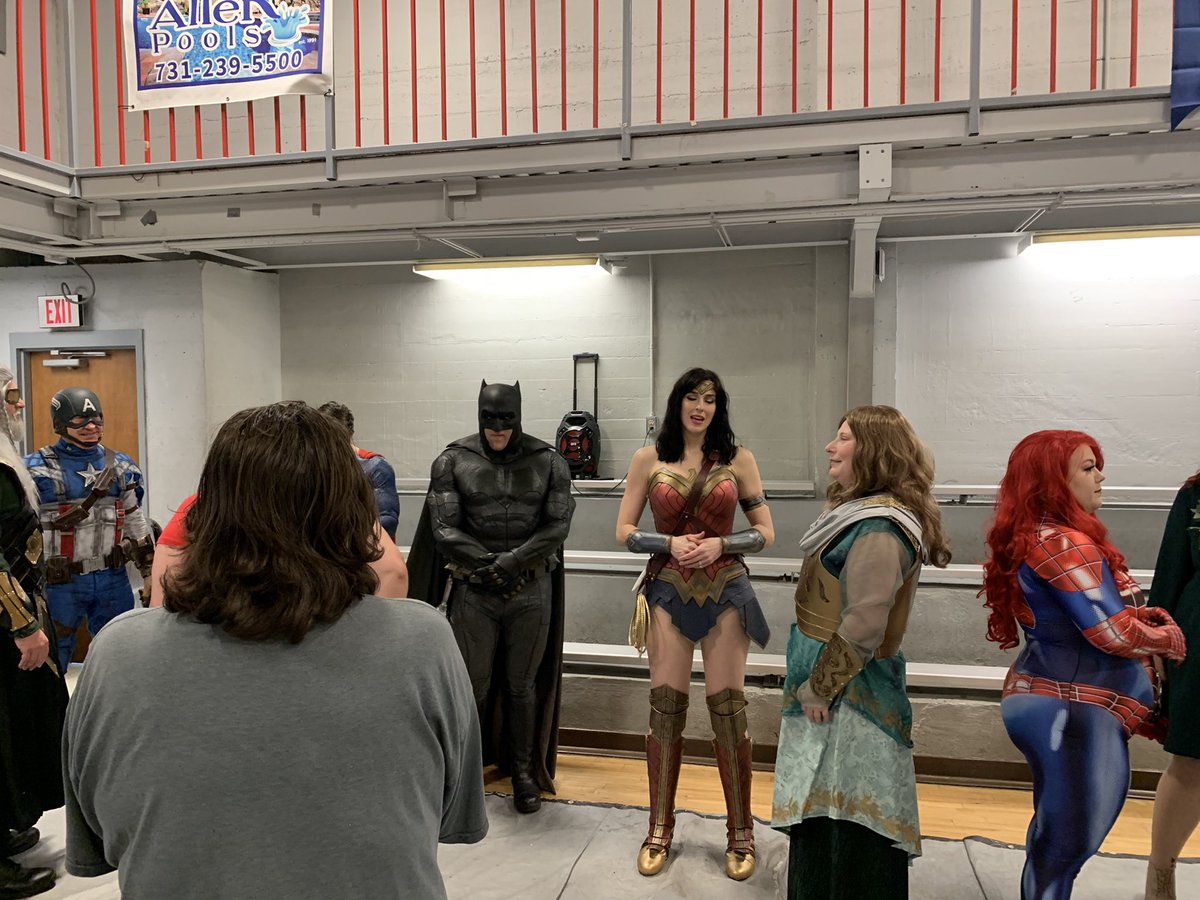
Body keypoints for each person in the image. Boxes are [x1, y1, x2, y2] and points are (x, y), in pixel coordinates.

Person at [63, 401, 488, 899]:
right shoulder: (423, 641)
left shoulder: (119, 653)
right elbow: (449, 812)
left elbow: (98, 835)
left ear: (205, 510)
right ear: (355, 513)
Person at [981, 430, 1186, 900]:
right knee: (1065, 847)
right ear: (1052, 480)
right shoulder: (1061, 542)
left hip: (1062, 703)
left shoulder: (1043, 537)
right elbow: (1110, 631)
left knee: (1053, 839)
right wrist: (1168, 639)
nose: (1100, 477)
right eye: (1088, 468)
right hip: (1073, 708)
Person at [771, 405, 951, 900]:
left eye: (844, 438)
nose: (831, 447)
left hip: (851, 697)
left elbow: (866, 624)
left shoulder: (879, 527)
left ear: (874, 451)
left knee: (850, 824)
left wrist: (819, 687)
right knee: (826, 812)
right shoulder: (859, 514)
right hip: (836, 694)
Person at [616, 368, 775, 881]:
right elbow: (624, 530)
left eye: (709, 398)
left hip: (726, 589)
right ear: (677, 403)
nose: (700, 406)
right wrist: (668, 543)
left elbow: (765, 532)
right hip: (667, 589)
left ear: (718, 407)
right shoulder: (648, 459)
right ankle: (659, 827)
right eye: (692, 396)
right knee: (665, 709)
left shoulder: (738, 459)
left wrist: (721, 544)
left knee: (729, 711)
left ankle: (741, 831)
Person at [409, 380, 575, 815]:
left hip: (530, 588)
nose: (497, 427)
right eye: (489, 418)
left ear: (518, 415)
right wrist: (491, 565)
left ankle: (523, 773)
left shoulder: (549, 462)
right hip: (475, 588)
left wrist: (512, 562)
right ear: (478, 413)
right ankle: (462, 773)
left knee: (522, 686)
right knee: (471, 685)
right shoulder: (452, 460)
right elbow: (443, 529)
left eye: (506, 418)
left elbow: (557, 527)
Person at [24, 387, 154, 671]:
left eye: (97, 419)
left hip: (113, 577)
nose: (91, 426)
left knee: (121, 655)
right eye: (80, 420)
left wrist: (149, 573)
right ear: (60, 424)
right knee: (53, 659)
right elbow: (23, 532)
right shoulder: (34, 470)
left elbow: (135, 521)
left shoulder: (122, 466)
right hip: (59, 582)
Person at [0, 367, 68, 899]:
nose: (19, 406)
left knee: (18, 728)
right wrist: (22, 624)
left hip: (17, 616)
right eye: (10, 396)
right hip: (7, 622)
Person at [148, 492, 409, 606]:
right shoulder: (333, 505)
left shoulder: (201, 505)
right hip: (322, 647)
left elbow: (162, 603)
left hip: (217, 647)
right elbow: (394, 573)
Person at [1146, 467, 1200, 900]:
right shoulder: (1195, 493)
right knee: (1191, 761)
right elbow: (1171, 568)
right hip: (1199, 640)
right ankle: (1160, 879)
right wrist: (1156, 637)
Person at [318, 401, 401, 541]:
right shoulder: (317, 467)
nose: (330, 445)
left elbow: (388, 521)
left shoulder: (375, 467)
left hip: (366, 548)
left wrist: (348, 539)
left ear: (349, 434)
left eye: (336, 438)